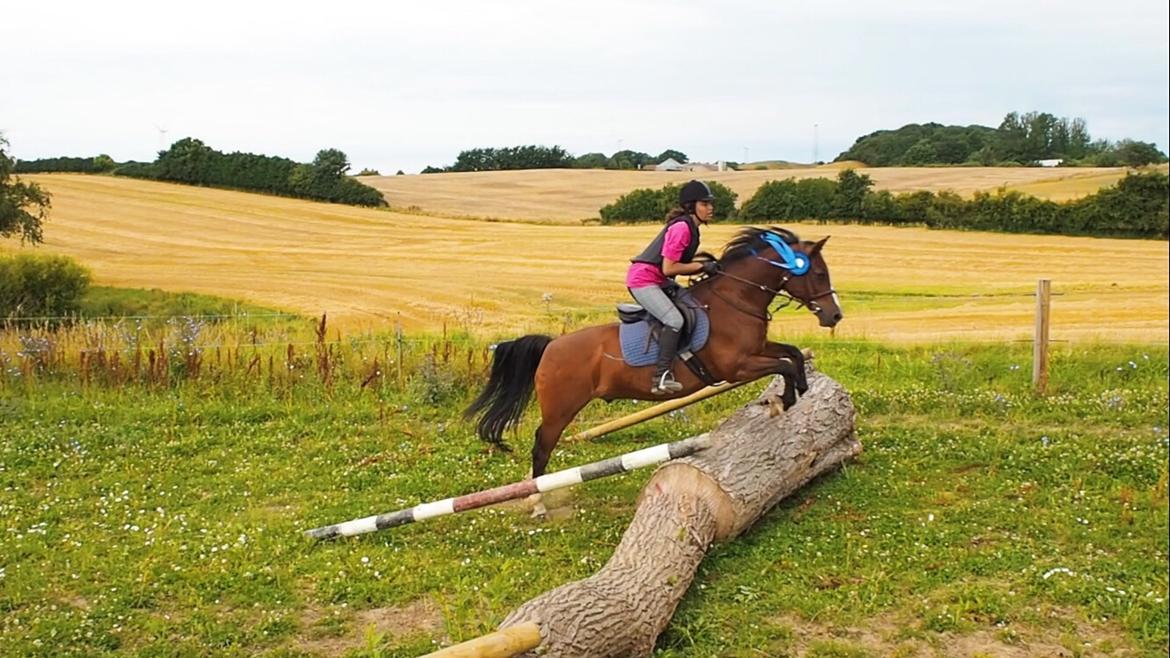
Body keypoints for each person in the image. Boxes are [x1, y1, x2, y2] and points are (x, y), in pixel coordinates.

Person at [626, 180, 720, 394]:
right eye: (705, 204)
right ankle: (661, 377)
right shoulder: (681, 228)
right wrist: (701, 266)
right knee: (674, 319)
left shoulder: (692, 228)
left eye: (710, 204)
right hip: (643, 281)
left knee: (694, 304)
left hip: (658, 280)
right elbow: (669, 268)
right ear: (690, 206)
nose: (710, 208)